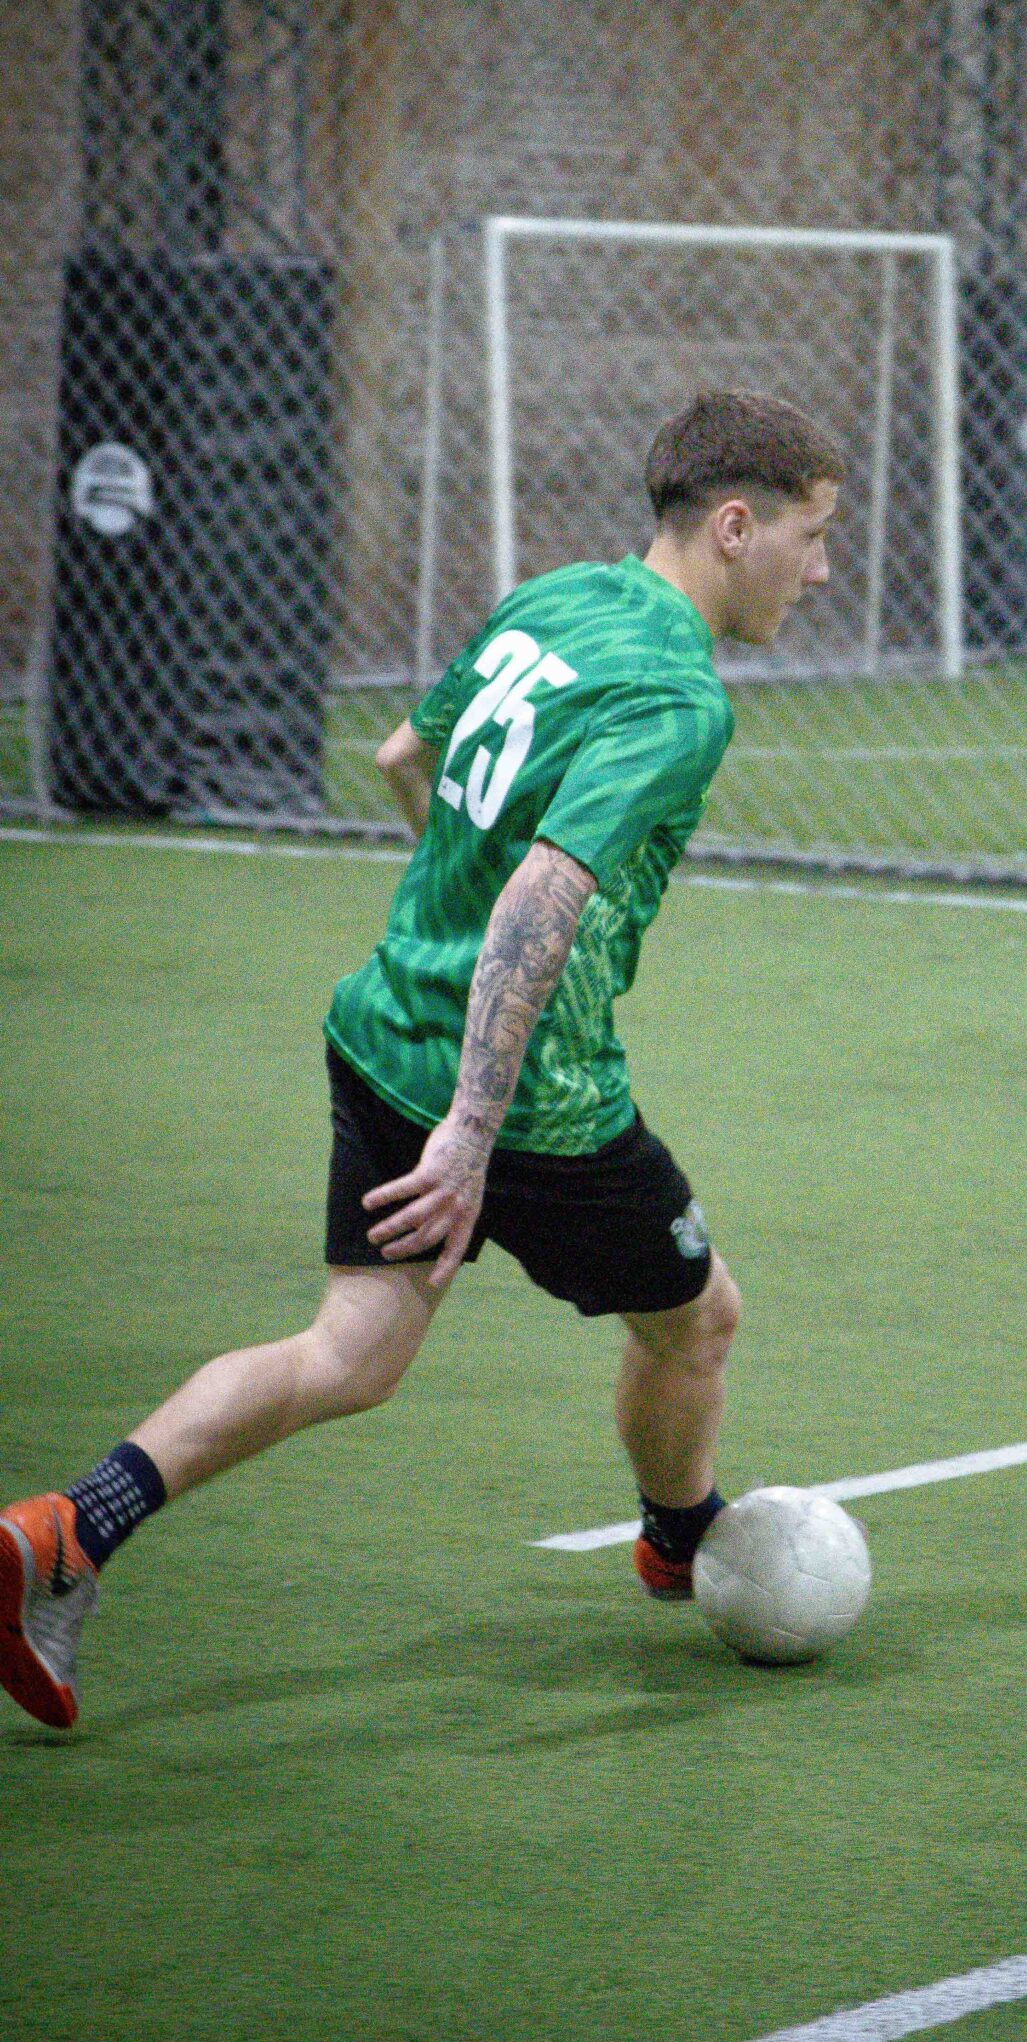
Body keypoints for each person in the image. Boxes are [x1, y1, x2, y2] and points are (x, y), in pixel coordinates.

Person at [1, 387, 844, 1729]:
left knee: (350, 1352)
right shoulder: (679, 698)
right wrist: (473, 1127)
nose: (821, 569)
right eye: (811, 535)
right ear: (735, 527)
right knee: (699, 1319)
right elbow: (542, 900)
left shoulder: (558, 597)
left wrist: (448, 930)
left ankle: (66, 1528)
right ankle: (679, 1540)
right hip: (533, 1107)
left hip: (382, 1028)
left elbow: (407, 752)